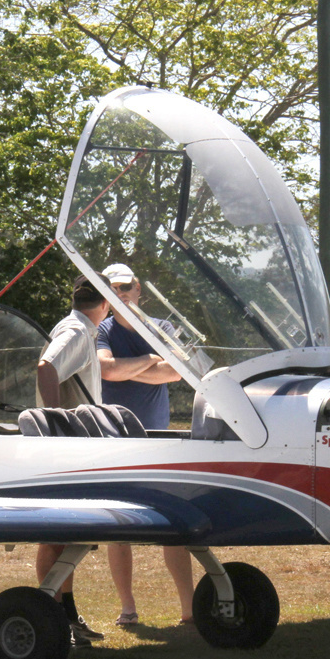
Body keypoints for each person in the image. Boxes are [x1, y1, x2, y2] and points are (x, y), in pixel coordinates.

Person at [94, 263, 195, 627]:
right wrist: (152, 360)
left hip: (159, 438)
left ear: (138, 289)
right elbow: (107, 371)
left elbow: (178, 370)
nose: (119, 293)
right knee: (118, 526)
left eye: (124, 287)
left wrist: (132, 367)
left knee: (174, 524)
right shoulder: (100, 329)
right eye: (110, 288)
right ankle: (127, 609)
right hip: (116, 439)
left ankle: (189, 611)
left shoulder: (162, 328)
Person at [34, 276, 110, 645]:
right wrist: (53, 422)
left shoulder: (80, 328)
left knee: (63, 538)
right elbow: (46, 366)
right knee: (56, 538)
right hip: (65, 449)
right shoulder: (78, 331)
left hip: (70, 448)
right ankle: (56, 617)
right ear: (106, 303)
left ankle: (64, 616)